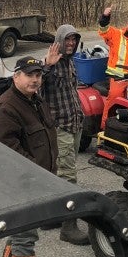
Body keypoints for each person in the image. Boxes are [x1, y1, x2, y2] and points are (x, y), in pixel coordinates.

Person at [0, 56, 59, 257]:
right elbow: (7, 150)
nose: (35, 79)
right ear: (16, 76)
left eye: (38, 75)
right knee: (25, 235)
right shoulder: (6, 107)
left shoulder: (34, 101)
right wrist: (35, 173)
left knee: (18, 232)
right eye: (29, 75)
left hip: (37, 178)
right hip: (22, 182)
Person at [42, 24, 89, 245]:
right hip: (59, 126)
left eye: (74, 40)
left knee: (59, 171)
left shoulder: (70, 62)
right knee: (68, 175)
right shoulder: (50, 63)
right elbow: (35, 85)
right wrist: (46, 67)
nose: (70, 44)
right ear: (59, 40)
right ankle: (69, 228)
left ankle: (52, 216)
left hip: (75, 122)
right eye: (67, 40)